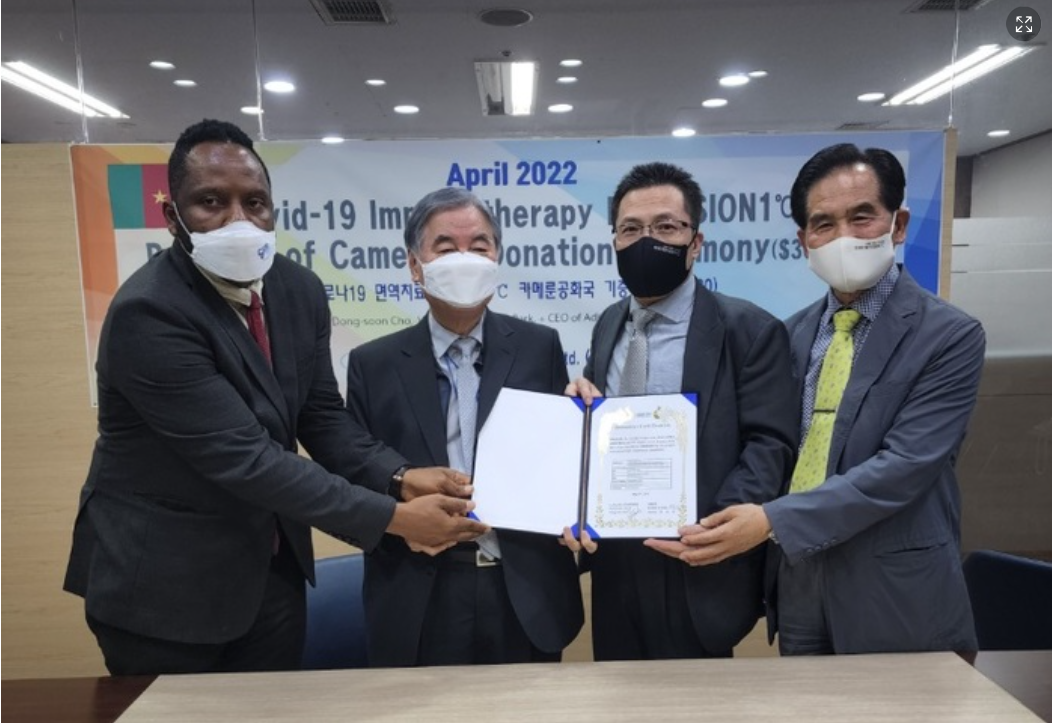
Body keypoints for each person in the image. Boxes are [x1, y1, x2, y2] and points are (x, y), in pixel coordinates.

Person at [63, 119, 487, 675]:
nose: (238, 219)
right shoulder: (150, 313)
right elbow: (248, 459)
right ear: (172, 217)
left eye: (255, 202)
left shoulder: (296, 289)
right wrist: (396, 518)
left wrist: (399, 476)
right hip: (164, 590)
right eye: (211, 202)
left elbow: (321, 416)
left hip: (271, 573)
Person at [658, 143, 984, 654]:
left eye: (862, 217)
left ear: (898, 225)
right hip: (797, 581)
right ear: (804, 241)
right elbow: (760, 441)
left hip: (896, 592)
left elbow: (905, 465)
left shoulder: (949, 336)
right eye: (823, 224)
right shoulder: (789, 335)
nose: (843, 237)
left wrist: (772, 520)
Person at [567, 162, 798, 660]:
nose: (646, 241)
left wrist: (713, 529)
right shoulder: (609, 324)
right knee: (617, 691)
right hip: (616, 562)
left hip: (699, 559)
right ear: (614, 241)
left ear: (696, 243)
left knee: (697, 697)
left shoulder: (749, 329)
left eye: (666, 227)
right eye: (631, 229)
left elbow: (770, 444)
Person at [345, 187, 584, 667]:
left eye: (479, 246)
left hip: (523, 589)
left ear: (496, 258)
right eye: (446, 247)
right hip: (419, 590)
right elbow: (357, 474)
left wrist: (585, 419)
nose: (465, 260)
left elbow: (558, 460)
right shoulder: (373, 364)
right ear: (415, 266)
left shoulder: (540, 347)